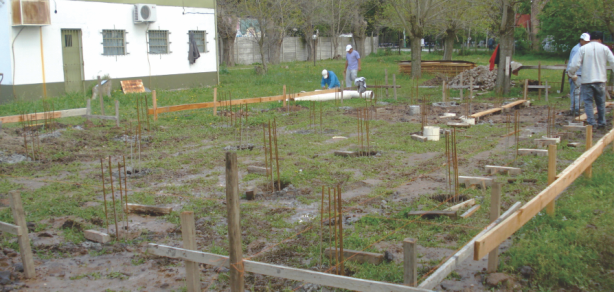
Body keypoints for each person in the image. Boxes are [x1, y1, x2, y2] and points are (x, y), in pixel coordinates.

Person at [568, 31, 614, 129]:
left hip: (587, 80)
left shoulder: (583, 48)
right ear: (601, 39)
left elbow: (574, 64)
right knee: (600, 102)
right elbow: (613, 62)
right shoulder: (605, 48)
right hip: (600, 80)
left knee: (588, 102)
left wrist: (571, 73)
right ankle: (602, 123)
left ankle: (591, 123)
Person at [567, 33, 591, 117]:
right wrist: (572, 74)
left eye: (588, 42)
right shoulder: (577, 49)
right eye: (585, 41)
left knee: (580, 93)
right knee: (575, 92)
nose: (587, 43)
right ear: (581, 40)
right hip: (576, 74)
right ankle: (575, 109)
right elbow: (572, 63)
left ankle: (577, 108)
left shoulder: (584, 48)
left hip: (581, 73)